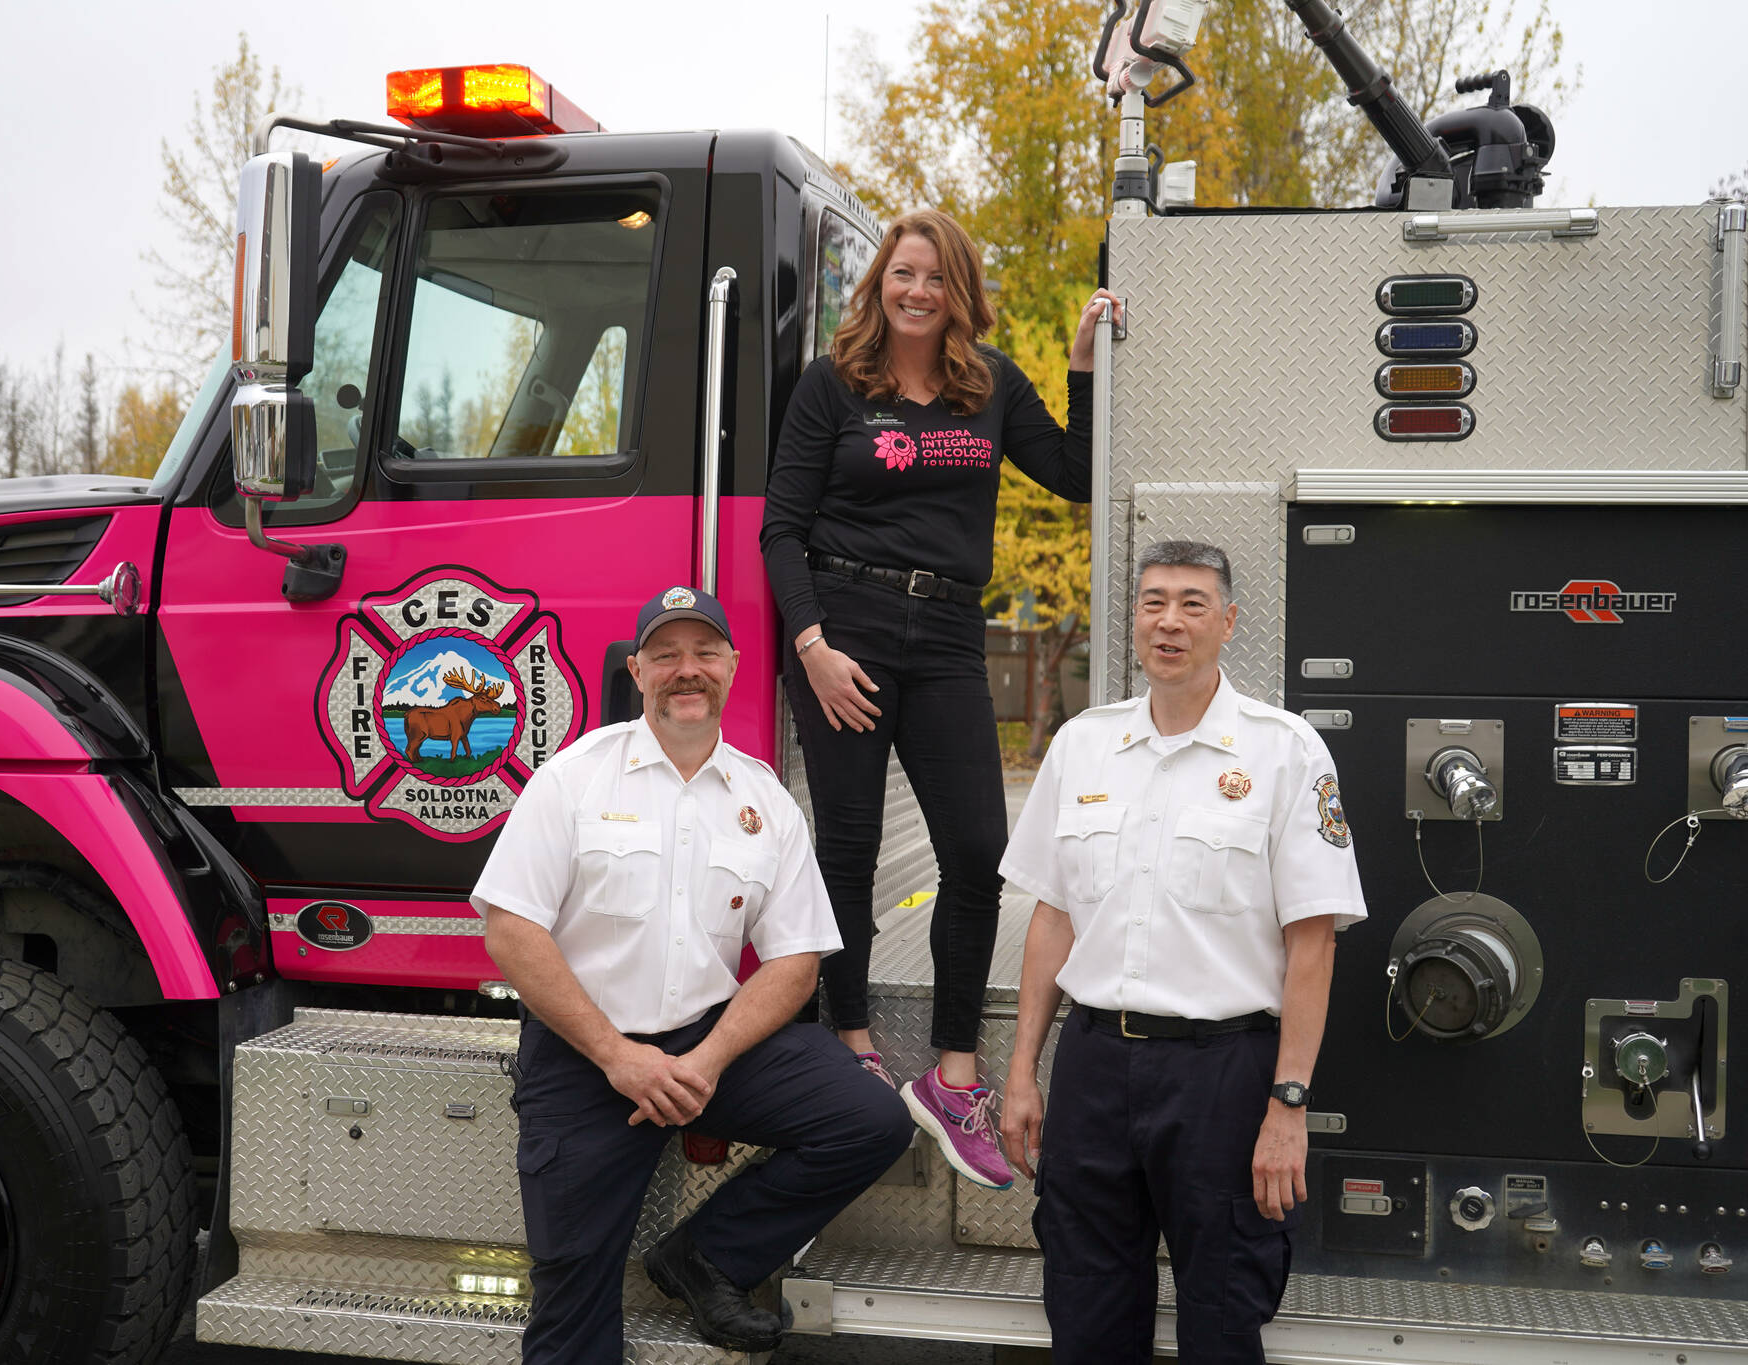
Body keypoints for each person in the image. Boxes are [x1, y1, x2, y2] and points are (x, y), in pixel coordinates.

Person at [759, 206, 1112, 1189]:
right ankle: (852, 1042)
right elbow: (781, 530)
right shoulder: (832, 386)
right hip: (846, 633)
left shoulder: (990, 386)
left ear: (960, 294)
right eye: (903, 275)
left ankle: (953, 1074)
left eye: (937, 280)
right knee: (845, 844)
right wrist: (813, 646)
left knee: (975, 851)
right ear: (879, 281)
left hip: (950, 634)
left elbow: (1077, 476)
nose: (916, 293)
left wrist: (1082, 370)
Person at [473, 584, 914, 1365]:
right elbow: (511, 928)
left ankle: (707, 1257)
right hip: (588, 1053)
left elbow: (797, 959)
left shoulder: (763, 798)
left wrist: (705, 1064)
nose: (688, 670)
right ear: (637, 670)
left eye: (705, 652)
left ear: (733, 668)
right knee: (572, 1287)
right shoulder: (575, 778)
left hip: (711, 1043)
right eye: (667, 655)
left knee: (871, 1120)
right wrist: (618, 1055)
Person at [996, 540, 1367, 1365]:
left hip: (1224, 1078)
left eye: (1194, 603)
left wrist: (1289, 1106)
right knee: (1085, 1313)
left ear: (1227, 621)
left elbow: (1312, 946)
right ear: (1134, 622)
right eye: (1154, 601)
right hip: (1093, 1066)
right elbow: (1053, 917)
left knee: (1224, 1316)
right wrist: (1024, 1068)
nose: (1171, 621)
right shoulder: (1082, 746)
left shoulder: (1285, 752)